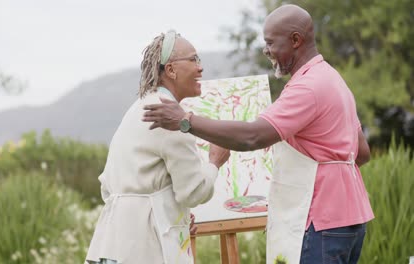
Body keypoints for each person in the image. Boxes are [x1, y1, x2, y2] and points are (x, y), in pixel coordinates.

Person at [143, 5, 374, 264]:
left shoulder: (307, 87)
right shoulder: (333, 79)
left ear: (296, 40)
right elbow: (362, 153)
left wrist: (186, 120)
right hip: (351, 220)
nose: (266, 51)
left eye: (270, 43)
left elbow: (252, 136)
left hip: (320, 221)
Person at [85, 30, 230, 264]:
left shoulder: (139, 108)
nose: (200, 67)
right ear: (171, 70)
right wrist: (215, 162)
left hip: (112, 244)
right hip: (146, 247)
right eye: (194, 59)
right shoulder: (169, 117)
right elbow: (192, 191)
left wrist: (172, 214)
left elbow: (109, 189)